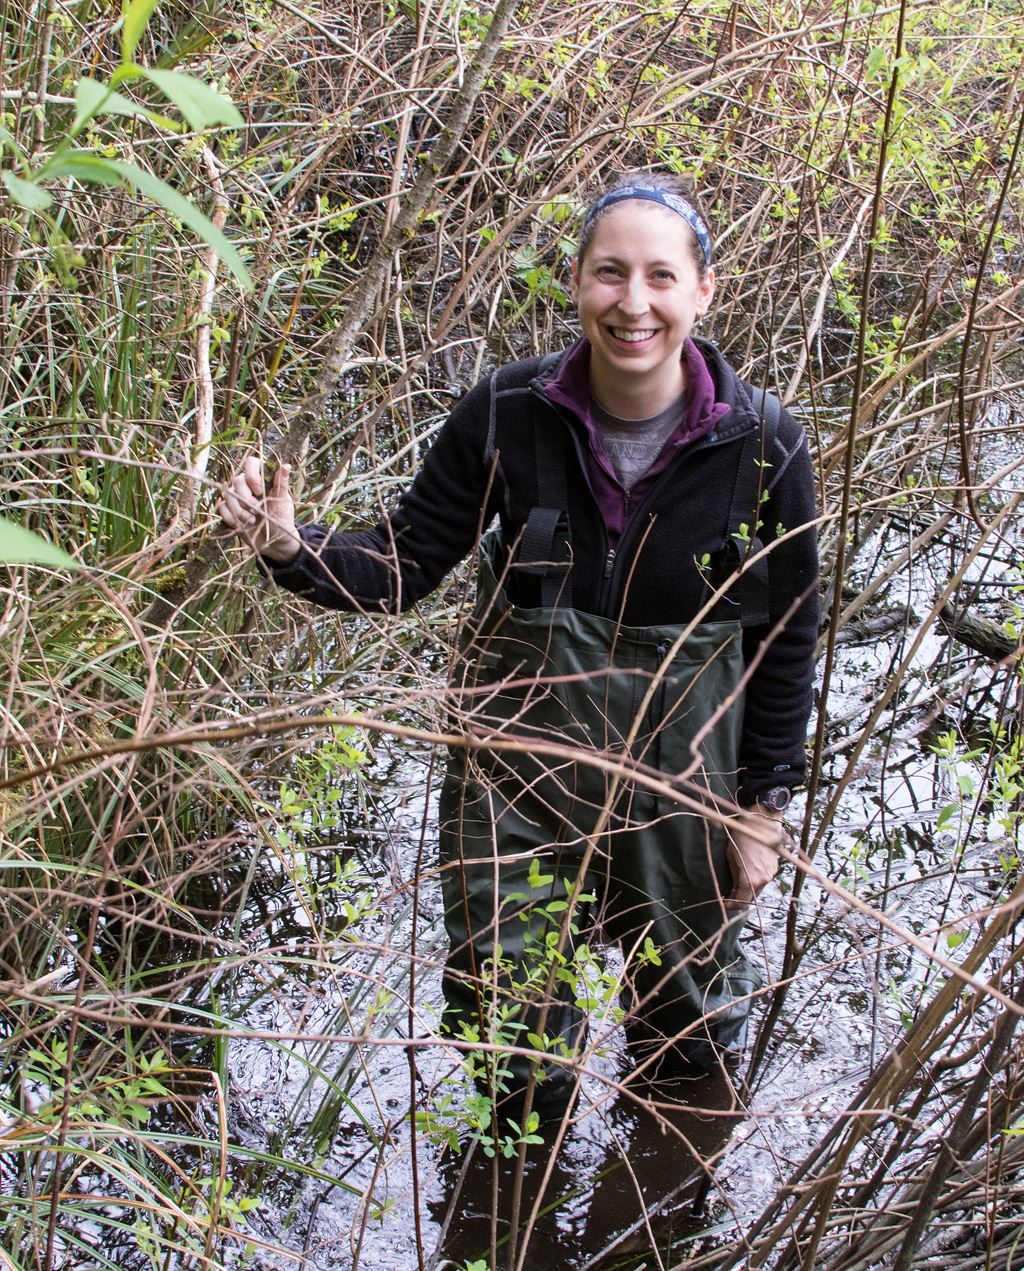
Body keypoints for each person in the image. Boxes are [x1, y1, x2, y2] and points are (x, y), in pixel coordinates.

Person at [219, 171, 819, 1123]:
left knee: (687, 1040)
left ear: (703, 292)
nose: (633, 302)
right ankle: (514, 1188)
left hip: (684, 787)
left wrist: (761, 811)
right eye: (609, 272)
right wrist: (294, 549)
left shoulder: (765, 445)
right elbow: (405, 565)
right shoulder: (506, 410)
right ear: (575, 280)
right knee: (512, 1047)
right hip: (517, 779)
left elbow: (786, 640)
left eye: (661, 277)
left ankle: (666, 1180)